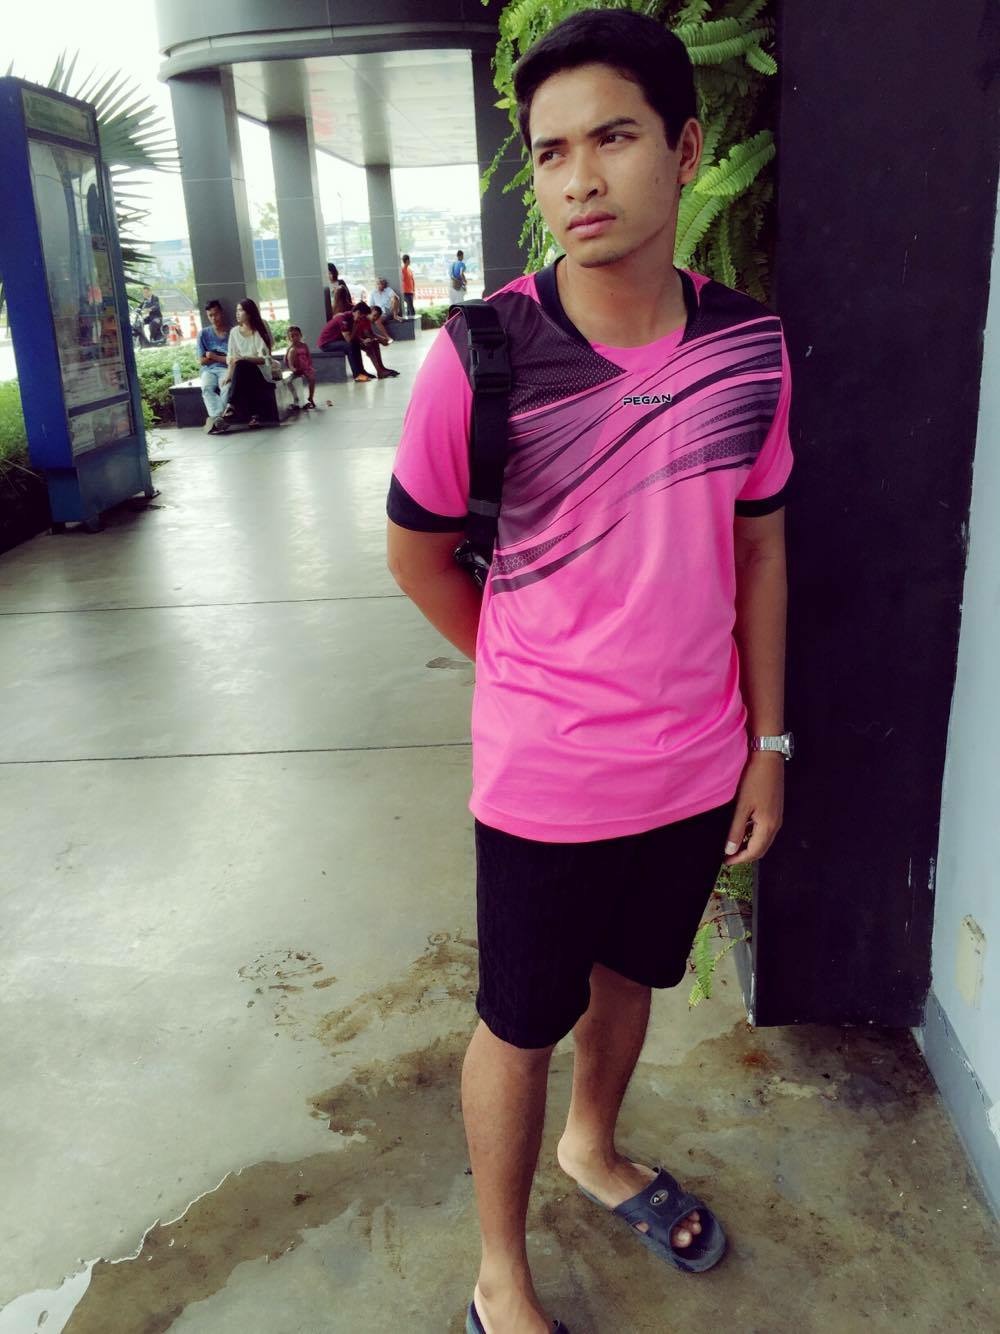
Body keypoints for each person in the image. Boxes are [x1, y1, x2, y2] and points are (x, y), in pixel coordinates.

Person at [386, 11, 793, 1334]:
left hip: (694, 765)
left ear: (686, 150)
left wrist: (767, 744)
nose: (578, 178)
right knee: (518, 1019)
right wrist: (526, 668)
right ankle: (499, 1273)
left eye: (612, 137)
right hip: (545, 782)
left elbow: (760, 548)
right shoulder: (482, 357)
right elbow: (418, 555)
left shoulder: (748, 348)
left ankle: (594, 1143)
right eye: (550, 151)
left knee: (631, 979)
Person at [216, 298, 278, 430]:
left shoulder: (259, 330)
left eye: (240, 310)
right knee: (241, 369)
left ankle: (231, 406)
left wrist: (245, 358)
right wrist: (229, 376)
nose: (237, 313)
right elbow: (232, 357)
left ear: (249, 313)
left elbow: (265, 359)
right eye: (236, 310)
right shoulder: (234, 332)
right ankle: (254, 416)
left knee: (242, 365)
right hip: (242, 372)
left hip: (261, 372)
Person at [197, 299, 231, 431]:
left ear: (221, 313)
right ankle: (219, 418)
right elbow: (201, 360)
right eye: (210, 315)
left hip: (226, 369)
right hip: (208, 370)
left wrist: (213, 356)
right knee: (206, 388)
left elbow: (232, 359)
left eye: (215, 314)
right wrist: (221, 357)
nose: (213, 318)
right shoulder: (203, 334)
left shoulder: (231, 332)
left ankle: (217, 419)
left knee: (226, 387)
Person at [317, 310, 372, 382]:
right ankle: (357, 375)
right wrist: (355, 325)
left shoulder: (351, 318)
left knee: (356, 344)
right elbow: (348, 339)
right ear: (358, 312)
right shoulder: (343, 319)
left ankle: (362, 371)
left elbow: (353, 336)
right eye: (362, 317)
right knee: (349, 346)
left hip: (335, 341)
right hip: (326, 344)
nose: (361, 319)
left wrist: (363, 341)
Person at [350, 302, 399, 377]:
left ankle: (382, 368)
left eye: (377, 317)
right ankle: (380, 370)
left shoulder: (367, 320)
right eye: (374, 315)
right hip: (355, 340)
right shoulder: (363, 319)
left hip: (360, 339)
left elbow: (370, 333)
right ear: (369, 312)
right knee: (371, 345)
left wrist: (381, 339)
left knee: (374, 343)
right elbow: (368, 334)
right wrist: (380, 340)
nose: (375, 318)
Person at [285, 326, 317, 409]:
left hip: (305, 368)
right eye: (292, 336)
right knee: (288, 382)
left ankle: (310, 397)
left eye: (297, 335)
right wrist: (293, 369)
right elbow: (288, 361)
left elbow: (308, 357)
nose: (295, 338)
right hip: (297, 369)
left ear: (300, 335)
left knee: (312, 379)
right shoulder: (291, 348)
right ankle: (295, 397)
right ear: (289, 338)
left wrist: (309, 366)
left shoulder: (304, 345)